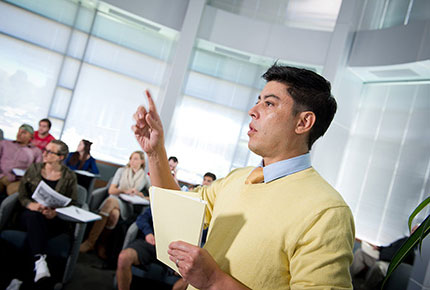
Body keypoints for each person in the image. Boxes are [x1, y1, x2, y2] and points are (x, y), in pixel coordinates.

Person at [132, 64, 355, 289]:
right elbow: (175, 212)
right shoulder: (236, 179)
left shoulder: (327, 212)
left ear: (303, 122)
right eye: (258, 100)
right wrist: (155, 152)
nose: (253, 110)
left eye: (269, 103)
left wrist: (214, 281)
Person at [16, 140, 78, 283]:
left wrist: (56, 212)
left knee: (33, 234)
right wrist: (30, 205)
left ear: (60, 157)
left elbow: (73, 202)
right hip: (30, 214)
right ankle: (39, 260)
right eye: (45, 149)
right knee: (33, 218)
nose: (45, 153)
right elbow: (21, 195)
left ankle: (19, 279)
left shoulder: (70, 177)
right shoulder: (34, 169)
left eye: (50, 152)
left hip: (53, 219)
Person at [80, 151, 150, 259]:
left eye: (135, 159)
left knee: (112, 209)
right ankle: (100, 245)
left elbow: (153, 196)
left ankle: (90, 242)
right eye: (131, 158)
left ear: (142, 161)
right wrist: (124, 191)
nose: (132, 161)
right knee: (113, 214)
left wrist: (141, 195)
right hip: (115, 197)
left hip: (127, 205)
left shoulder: (145, 178)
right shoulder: (121, 171)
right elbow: (111, 190)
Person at [116, 207, 171, 290]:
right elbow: (142, 219)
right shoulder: (161, 201)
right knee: (124, 257)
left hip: (174, 249)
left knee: (188, 278)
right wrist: (148, 233)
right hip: (151, 243)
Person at [350, 225, 418, 290]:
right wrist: (380, 248)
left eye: (415, 231)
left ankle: (365, 287)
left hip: (391, 264)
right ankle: (349, 279)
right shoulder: (404, 239)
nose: (412, 232)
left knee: (379, 266)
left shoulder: (416, 247)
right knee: (360, 253)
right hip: (382, 257)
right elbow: (390, 246)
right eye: (412, 230)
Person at [0, 124, 42, 200]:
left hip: (20, 181)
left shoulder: (36, 152)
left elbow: (37, 172)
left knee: (12, 190)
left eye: (24, 132)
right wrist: (1, 176)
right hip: (2, 176)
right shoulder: (4, 144)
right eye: (19, 131)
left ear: (31, 137)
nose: (19, 134)